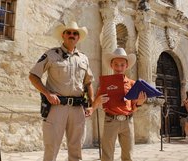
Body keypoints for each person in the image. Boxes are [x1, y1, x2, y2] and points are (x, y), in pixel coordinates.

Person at [29, 21, 94, 161]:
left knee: (76, 150)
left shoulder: (83, 58)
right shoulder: (51, 54)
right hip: (56, 107)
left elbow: (88, 83)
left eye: (75, 33)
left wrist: (91, 105)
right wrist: (47, 93)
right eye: (69, 32)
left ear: (78, 37)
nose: (72, 35)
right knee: (51, 148)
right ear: (63, 35)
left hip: (77, 109)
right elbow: (33, 76)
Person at [89, 48, 147, 161]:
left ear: (126, 66)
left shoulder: (132, 84)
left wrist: (139, 103)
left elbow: (134, 107)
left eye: (122, 65)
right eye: (116, 64)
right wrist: (96, 103)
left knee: (128, 156)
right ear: (111, 65)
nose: (119, 68)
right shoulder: (105, 84)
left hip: (128, 122)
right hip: (110, 121)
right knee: (107, 156)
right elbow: (96, 102)